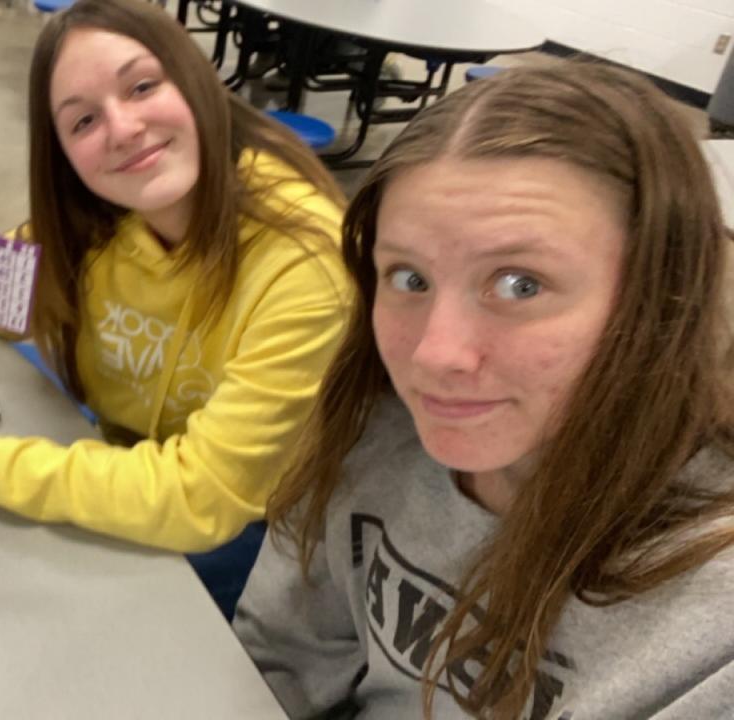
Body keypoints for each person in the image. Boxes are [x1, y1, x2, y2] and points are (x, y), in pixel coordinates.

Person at [234, 61, 734, 718]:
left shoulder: (712, 619)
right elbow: (276, 663)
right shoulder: (377, 433)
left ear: (660, 300)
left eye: (520, 284)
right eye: (409, 278)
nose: (434, 356)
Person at [0, 0, 352, 618]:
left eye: (142, 86)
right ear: (62, 153)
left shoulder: (307, 266)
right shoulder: (101, 220)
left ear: (195, 79)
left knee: (48, 608)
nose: (122, 129)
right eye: (84, 121)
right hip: (129, 453)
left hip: (261, 529)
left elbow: (201, 499)